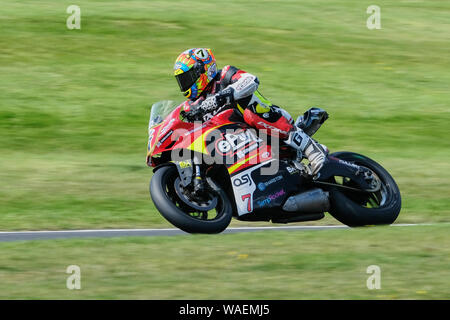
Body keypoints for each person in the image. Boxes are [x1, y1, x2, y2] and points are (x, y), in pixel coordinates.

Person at [173, 48, 328, 175]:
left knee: (250, 110)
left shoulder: (224, 75)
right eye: (182, 80)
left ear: (203, 70)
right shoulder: (193, 106)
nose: (185, 84)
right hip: (237, 146)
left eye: (188, 77)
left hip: (265, 121)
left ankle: (312, 148)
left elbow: (251, 80)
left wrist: (221, 97)